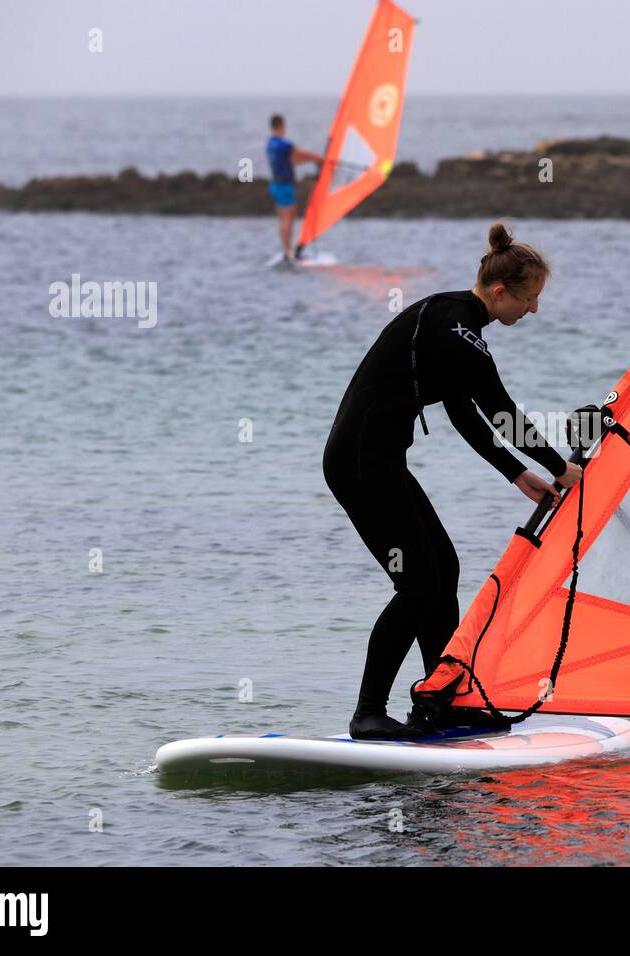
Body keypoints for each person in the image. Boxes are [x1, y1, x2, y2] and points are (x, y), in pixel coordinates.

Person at [323, 223, 583, 740]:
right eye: (530, 299)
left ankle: (441, 701)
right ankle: (368, 712)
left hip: (377, 461)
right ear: (500, 291)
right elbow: (501, 412)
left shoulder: (450, 318)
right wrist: (559, 468)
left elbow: (464, 412)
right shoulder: (458, 331)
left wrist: (516, 474)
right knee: (419, 582)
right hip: (360, 465)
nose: (533, 310)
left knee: (442, 568)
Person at [265, 114, 322, 263]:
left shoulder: (271, 144)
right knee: (288, 220)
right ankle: (288, 252)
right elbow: (301, 154)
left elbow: (294, 161)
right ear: (282, 126)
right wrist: (317, 157)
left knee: (283, 220)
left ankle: (286, 250)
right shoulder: (284, 145)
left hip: (275, 186)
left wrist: (311, 159)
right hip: (284, 186)